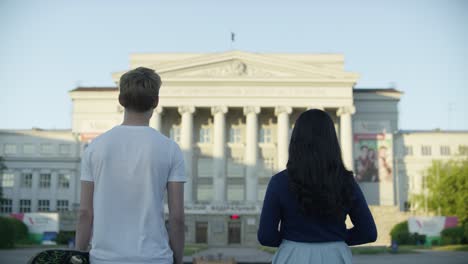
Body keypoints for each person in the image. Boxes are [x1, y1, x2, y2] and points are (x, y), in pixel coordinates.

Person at [75, 67, 186, 264]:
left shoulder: (95, 148)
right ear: (156, 102)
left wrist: (78, 255)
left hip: (104, 259)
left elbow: (85, 213)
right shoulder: (170, 149)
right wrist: (177, 259)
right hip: (155, 258)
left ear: (121, 100)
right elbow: (177, 218)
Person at [258, 109, 377, 264]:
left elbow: (266, 236)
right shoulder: (346, 181)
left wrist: (292, 237)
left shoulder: (279, 182)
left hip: (292, 255)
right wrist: (337, 236)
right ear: (332, 141)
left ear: (295, 141)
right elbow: (368, 232)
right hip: (335, 256)